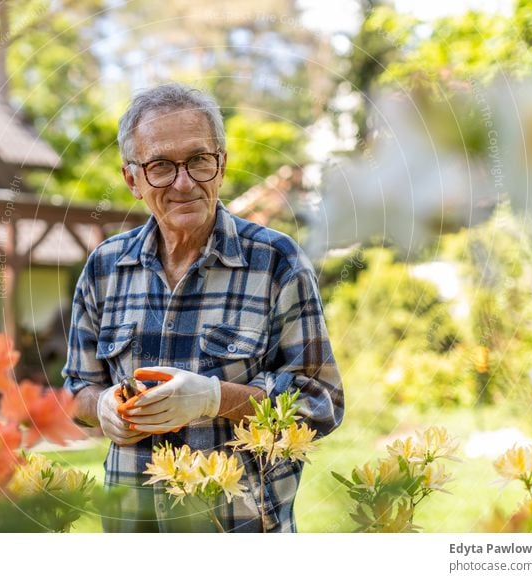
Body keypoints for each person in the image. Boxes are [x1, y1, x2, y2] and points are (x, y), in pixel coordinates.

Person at [63, 83, 343, 532]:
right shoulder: (104, 268)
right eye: (160, 166)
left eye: (198, 159)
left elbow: (322, 401)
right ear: (132, 179)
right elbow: (77, 389)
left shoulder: (276, 261)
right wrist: (102, 408)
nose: (184, 182)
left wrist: (214, 399)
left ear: (222, 164)